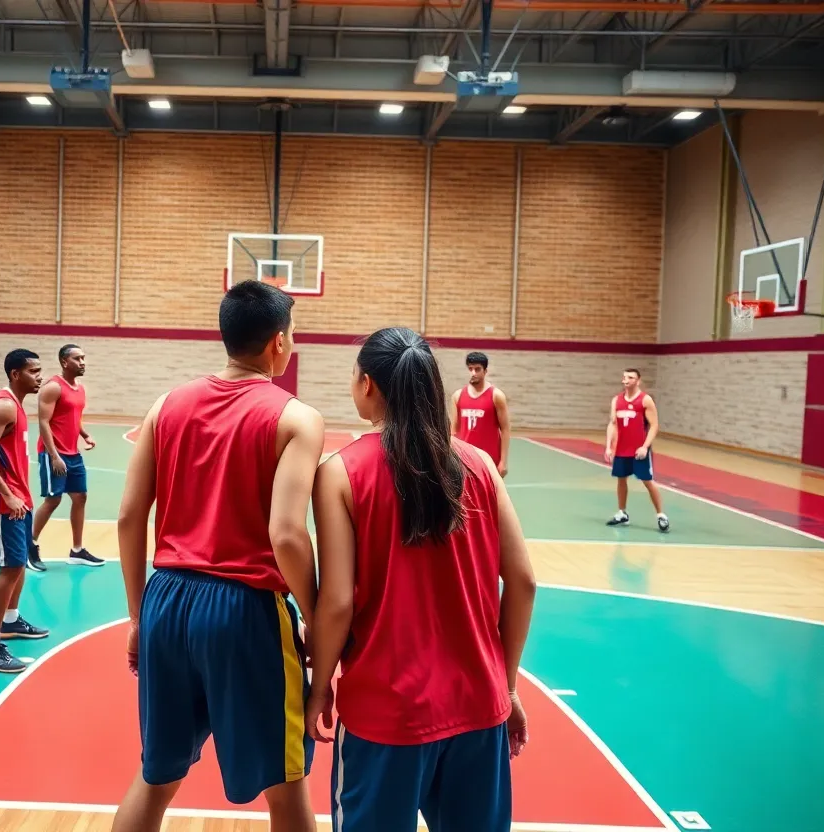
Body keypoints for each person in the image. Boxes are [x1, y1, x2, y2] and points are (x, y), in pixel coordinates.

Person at [112, 281, 325, 832]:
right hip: (245, 609)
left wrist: (137, 617)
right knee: (286, 787)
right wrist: (318, 617)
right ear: (279, 342)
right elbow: (287, 535)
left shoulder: (165, 405)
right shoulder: (297, 418)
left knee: (156, 776)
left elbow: (129, 517)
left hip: (166, 602)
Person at [305, 327, 536, 832]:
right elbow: (523, 582)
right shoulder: (480, 465)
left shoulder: (339, 473)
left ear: (366, 384)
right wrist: (508, 685)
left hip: (387, 714)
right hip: (479, 705)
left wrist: (319, 686)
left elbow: (338, 602)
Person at [0, 348, 50, 673]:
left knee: (18, 565)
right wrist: (8, 495)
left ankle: (10, 620)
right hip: (3, 505)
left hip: (19, 501)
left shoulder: (16, 406)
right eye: (33, 371)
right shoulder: (3, 406)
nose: (39, 377)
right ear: (15, 374)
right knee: (10, 568)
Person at [30, 343, 101, 571]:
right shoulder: (53, 388)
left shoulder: (80, 388)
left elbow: (73, 416)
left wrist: (84, 434)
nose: (82, 362)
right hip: (54, 453)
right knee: (53, 500)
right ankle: (29, 545)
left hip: (73, 453)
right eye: (77, 358)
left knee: (80, 497)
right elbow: (43, 422)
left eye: (83, 358)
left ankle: (77, 550)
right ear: (64, 362)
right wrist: (54, 456)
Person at [604, 368, 669, 532]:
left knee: (647, 481)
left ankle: (661, 515)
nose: (626, 380)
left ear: (638, 381)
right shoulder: (616, 400)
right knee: (621, 479)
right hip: (621, 449)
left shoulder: (645, 400)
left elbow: (654, 425)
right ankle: (622, 513)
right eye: (624, 377)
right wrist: (609, 446)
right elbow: (612, 423)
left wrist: (645, 447)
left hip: (639, 450)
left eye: (631, 377)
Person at [451, 350, 510, 477]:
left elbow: (505, 429)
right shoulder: (457, 396)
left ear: (485, 371)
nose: (473, 373)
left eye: (477, 369)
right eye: (470, 369)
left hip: (489, 461)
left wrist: (503, 462)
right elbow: (454, 431)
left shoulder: (496, 396)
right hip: (465, 460)